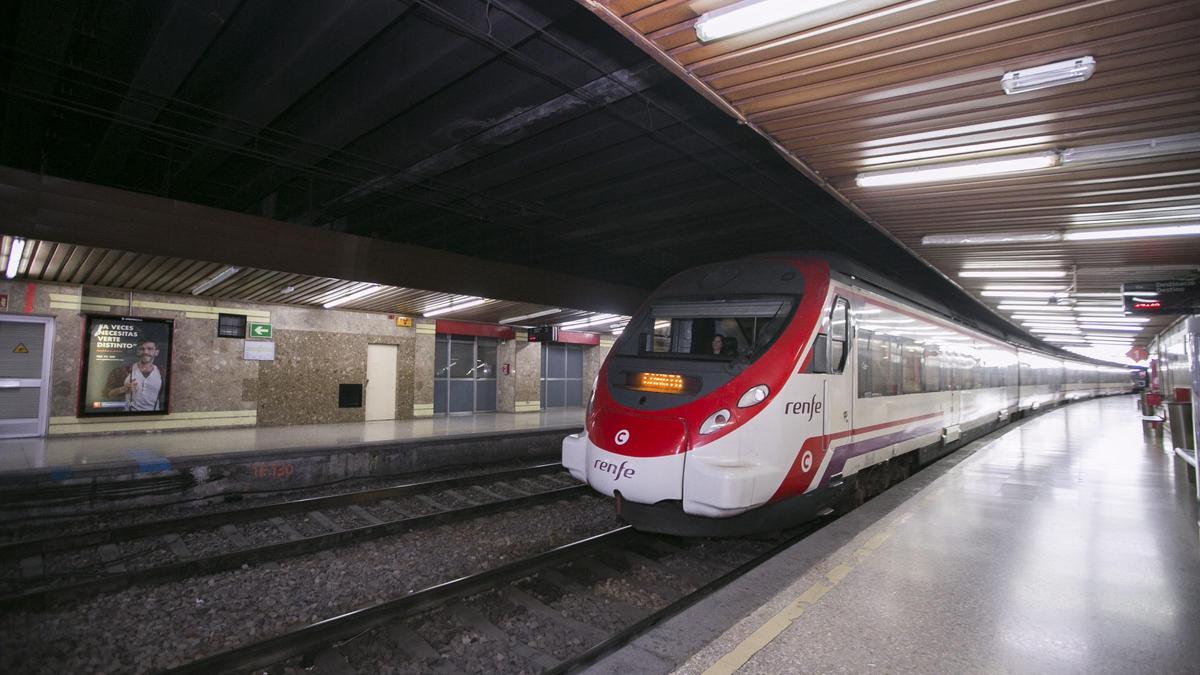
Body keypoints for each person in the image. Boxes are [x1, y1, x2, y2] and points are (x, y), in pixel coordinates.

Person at [105, 339, 167, 411]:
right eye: (141, 349)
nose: (145, 352)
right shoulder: (122, 371)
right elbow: (106, 393)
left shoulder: (163, 372)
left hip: (154, 417)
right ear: (137, 351)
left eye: (150, 349)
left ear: (156, 352)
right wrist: (122, 389)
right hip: (127, 417)